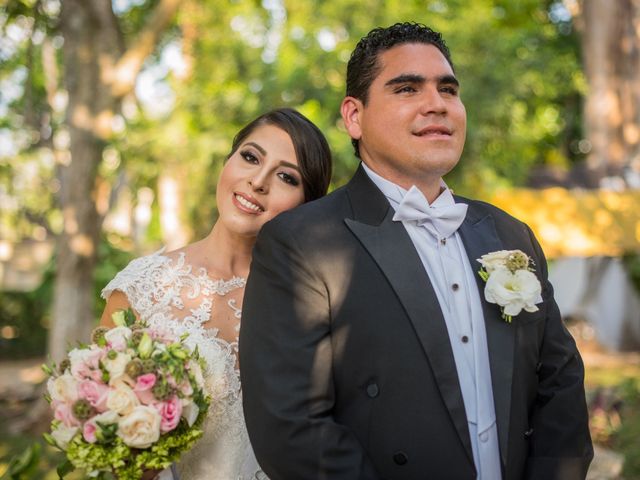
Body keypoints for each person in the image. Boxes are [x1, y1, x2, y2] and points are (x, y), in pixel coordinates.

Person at [240, 23, 593, 480]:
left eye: (448, 89)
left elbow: (560, 387)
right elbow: (292, 430)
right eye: (407, 88)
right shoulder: (301, 242)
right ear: (354, 116)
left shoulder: (510, 235)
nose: (436, 104)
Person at [100, 107, 332, 480]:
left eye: (287, 177)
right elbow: (110, 442)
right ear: (228, 162)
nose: (258, 181)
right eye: (250, 157)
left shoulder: (319, 302)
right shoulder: (142, 290)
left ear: (306, 205)